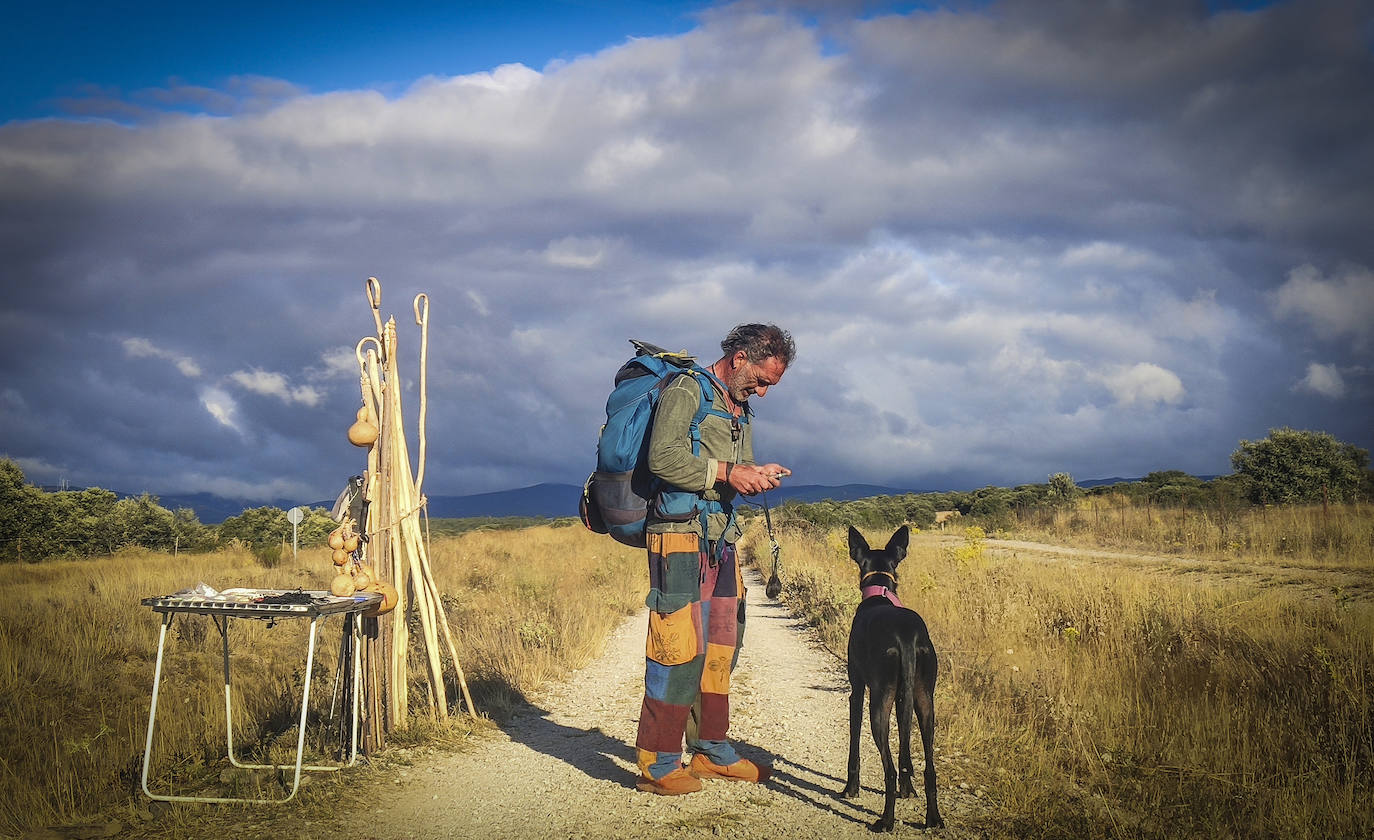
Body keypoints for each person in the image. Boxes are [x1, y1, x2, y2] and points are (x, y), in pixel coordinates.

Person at [634, 323, 796, 795]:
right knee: (676, 647)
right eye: (761, 380)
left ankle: (710, 750)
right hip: (677, 536)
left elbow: (732, 473)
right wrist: (729, 470)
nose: (763, 393)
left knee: (724, 645)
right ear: (741, 356)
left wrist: (754, 474)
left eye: (770, 385)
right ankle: (658, 763)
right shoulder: (687, 389)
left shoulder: (738, 408)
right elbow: (661, 458)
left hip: (721, 537)